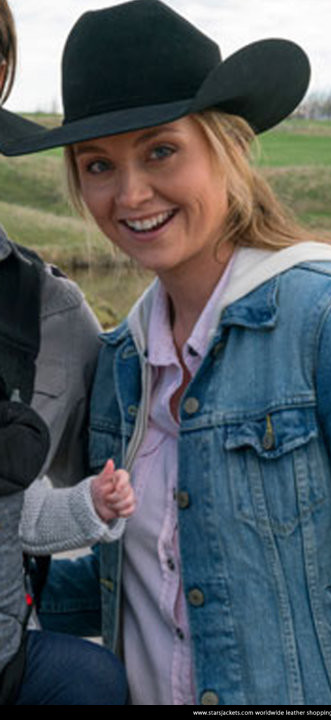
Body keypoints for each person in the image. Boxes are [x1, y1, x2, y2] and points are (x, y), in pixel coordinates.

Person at [0, 0, 331, 706]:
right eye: (99, 165)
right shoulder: (121, 364)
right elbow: (145, 579)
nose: (130, 194)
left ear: (226, 146)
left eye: (161, 151)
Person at [0, 0, 130, 705]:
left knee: (98, 685)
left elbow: (45, 513)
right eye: (102, 165)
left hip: (14, 665)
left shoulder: (55, 316)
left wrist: (97, 506)